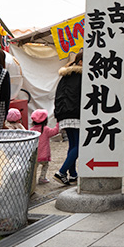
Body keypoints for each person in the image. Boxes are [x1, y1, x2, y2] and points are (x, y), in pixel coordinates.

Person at [54, 52, 83, 185]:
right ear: (81, 62)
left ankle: (73, 174)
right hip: (75, 112)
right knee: (79, 146)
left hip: (63, 113)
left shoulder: (65, 75)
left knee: (72, 144)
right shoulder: (81, 76)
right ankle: (61, 172)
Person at [30, 109, 59, 184]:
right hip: (44, 155)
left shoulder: (31, 131)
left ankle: (32, 180)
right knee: (45, 166)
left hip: (35, 155)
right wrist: (58, 123)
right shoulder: (45, 130)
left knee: (33, 169)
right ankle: (42, 178)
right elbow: (55, 131)